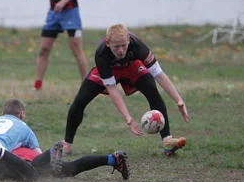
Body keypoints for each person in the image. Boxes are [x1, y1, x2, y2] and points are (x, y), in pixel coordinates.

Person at [62, 24, 190, 156]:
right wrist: (127, 117)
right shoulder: (101, 54)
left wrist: (179, 100)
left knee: (152, 90)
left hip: (132, 66)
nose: (121, 50)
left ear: (129, 39)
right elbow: (112, 88)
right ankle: (67, 144)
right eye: (116, 47)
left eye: (124, 45)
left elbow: (159, 75)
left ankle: (167, 141)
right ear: (107, 43)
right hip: (109, 69)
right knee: (80, 101)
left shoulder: (138, 46)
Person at [0, 139, 131, 181]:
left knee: (32, 169)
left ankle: (51, 152)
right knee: (71, 168)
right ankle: (112, 159)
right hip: (40, 161)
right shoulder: (12, 135)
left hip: (27, 164)